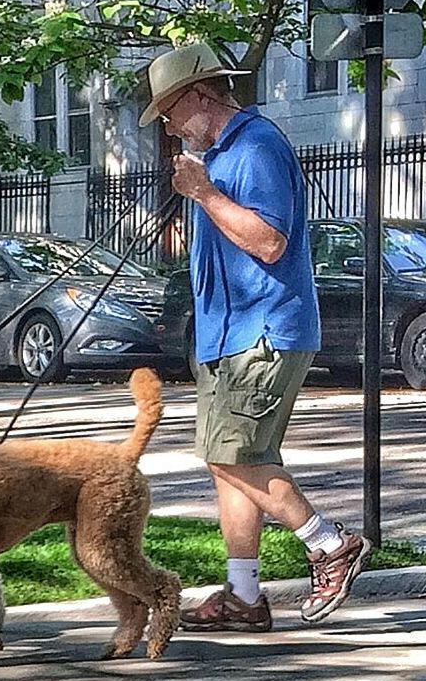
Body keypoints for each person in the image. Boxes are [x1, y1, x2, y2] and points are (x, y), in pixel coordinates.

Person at [139, 42, 371, 631]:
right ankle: (244, 596)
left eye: (168, 112)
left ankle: (328, 544)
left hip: (263, 330)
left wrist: (206, 194)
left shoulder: (258, 146)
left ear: (196, 96)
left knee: (236, 455)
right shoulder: (219, 155)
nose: (168, 127)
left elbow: (271, 242)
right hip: (226, 335)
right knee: (227, 461)